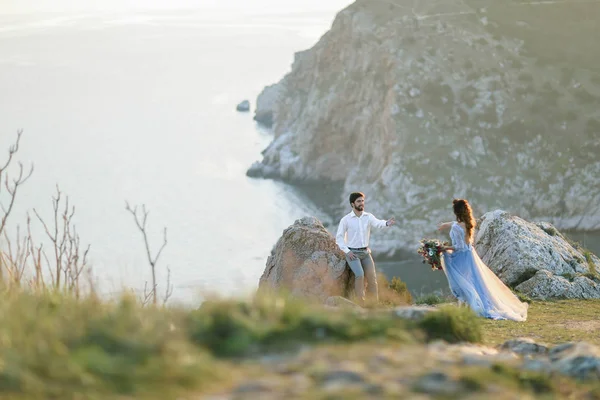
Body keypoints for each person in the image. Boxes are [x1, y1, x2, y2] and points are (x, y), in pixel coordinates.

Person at [437, 199, 528, 321]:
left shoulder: (456, 228)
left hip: (461, 257)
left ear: (456, 212)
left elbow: (459, 247)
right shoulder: (468, 223)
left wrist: (444, 247)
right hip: (470, 255)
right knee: (475, 281)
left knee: (463, 281)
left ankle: (472, 306)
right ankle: (470, 305)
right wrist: (447, 224)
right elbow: (462, 237)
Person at [335, 192, 395, 305]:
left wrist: (387, 223)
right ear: (352, 204)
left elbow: (378, 223)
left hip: (366, 252)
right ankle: (360, 303)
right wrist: (347, 252)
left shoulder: (368, 217)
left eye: (362, 201)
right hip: (352, 253)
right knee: (360, 275)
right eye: (359, 201)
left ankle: (374, 304)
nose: (361, 203)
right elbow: (339, 238)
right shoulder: (346, 220)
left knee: (372, 278)